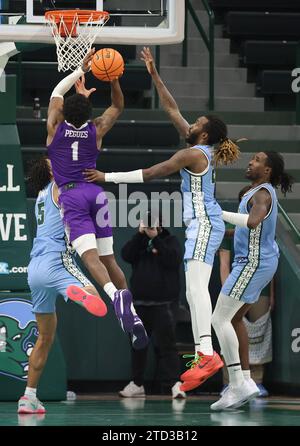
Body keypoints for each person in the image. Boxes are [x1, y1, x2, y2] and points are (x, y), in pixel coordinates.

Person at [83, 69, 241, 392]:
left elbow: (152, 172)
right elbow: (172, 110)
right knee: (194, 289)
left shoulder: (192, 154)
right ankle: (204, 353)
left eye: (196, 123)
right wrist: (154, 75)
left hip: (203, 224)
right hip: (204, 224)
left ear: (205, 135)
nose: (191, 123)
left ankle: (206, 353)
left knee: (196, 289)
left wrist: (106, 177)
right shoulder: (199, 147)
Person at [46, 49, 147, 345]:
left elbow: (55, 92)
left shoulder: (54, 127)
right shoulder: (97, 129)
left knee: (90, 259)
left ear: (64, 113)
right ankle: (132, 314)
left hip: (72, 195)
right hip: (96, 193)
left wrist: (80, 69)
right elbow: (118, 106)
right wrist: (113, 78)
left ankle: (115, 297)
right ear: (89, 114)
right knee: (109, 258)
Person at [18, 157, 107, 414]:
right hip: (58, 261)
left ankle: (28, 397)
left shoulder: (41, 195)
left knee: (44, 337)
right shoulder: (60, 186)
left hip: (34, 269)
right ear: (51, 171)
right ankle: (74, 291)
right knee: (97, 299)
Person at [210, 151, 293, 411]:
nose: (250, 161)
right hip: (258, 262)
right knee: (233, 320)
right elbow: (249, 228)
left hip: (252, 265)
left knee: (218, 319)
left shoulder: (262, 194)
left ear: (267, 170)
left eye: (257, 160)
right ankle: (245, 379)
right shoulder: (255, 192)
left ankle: (237, 383)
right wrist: (220, 228)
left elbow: (254, 222)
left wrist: (216, 213)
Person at [119, 210, 186, 399]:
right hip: (140, 304)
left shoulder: (170, 241)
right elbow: (126, 255)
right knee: (138, 345)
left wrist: (156, 238)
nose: (149, 226)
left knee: (168, 346)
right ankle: (137, 383)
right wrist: (140, 235)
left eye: (153, 222)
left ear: (161, 224)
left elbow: (172, 259)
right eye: (146, 222)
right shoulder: (138, 243)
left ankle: (175, 384)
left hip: (164, 304)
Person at [218, 189, 274, 398]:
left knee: (258, 333)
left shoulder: (266, 224)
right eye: (247, 200)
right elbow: (224, 264)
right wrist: (228, 291)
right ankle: (231, 381)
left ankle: (255, 381)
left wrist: (272, 293)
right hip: (237, 283)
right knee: (227, 323)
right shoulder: (231, 227)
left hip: (259, 284)